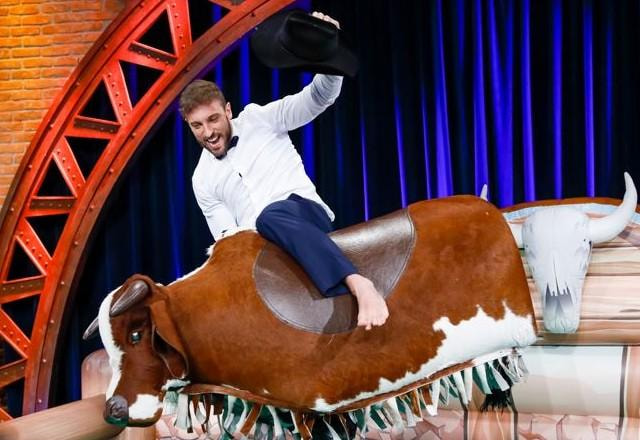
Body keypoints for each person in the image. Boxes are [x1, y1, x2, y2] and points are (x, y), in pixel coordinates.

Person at [179, 12, 388, 330]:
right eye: (197, 126)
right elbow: (226, 240)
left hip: (303, 216)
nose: (208, 132)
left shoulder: (261, 119)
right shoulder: (201, 179)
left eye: (212, 120)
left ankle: (360, 284)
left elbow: (318, 98)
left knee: (269, 216)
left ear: (228, 111)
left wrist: (328, 51)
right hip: (264, 250)